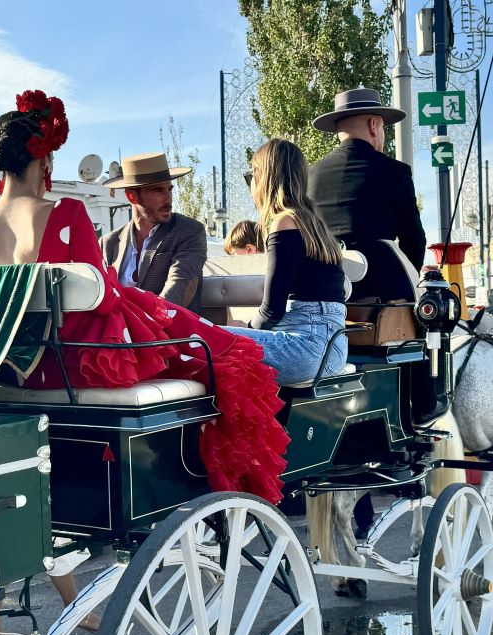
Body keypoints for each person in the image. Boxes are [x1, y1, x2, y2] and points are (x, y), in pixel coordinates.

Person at [0, 90, 289, 635]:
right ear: (44, 161)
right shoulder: (63, 214)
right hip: (76, 363)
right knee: (226, 354)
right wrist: (154, 319)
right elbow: (97, 298)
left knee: (197, 341)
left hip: (11, 372)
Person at [306, 88, 439, 424]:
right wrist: (406, 278)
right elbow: (414, 237)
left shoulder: (312, 173)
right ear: (375, 124)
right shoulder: (394, 171)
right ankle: (422, 404)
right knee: (427, 314)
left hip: (324, 280)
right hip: (379, 277)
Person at [223, 138, 348, 385]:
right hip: (331, 347)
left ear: (264, 177)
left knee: (199, 339)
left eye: (252, 175)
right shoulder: (313, 223)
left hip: (306, 347)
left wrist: (246, 325)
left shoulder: (284, 222)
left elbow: (272, 310)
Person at [100, 153, 207, 310]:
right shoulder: (108, 243)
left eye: (169, 189)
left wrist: (149, 322)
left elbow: (180, 283)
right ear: (132, 196)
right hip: (119, 330)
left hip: (171, 331)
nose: (168, 199)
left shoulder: (189, 231)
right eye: (158, 191)